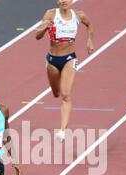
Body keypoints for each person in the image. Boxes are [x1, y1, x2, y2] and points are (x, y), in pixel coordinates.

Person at [36, 0, 94, 142]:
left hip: (69, 58)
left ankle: (62, 131)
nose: (64, 1)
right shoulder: (50, 14)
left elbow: (89, 24)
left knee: (66, 94)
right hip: (52, 61)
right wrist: (44, 28)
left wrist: (90, 40)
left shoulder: (79, 15)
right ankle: (54, 83)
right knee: (56, 93)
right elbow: (37, 36)